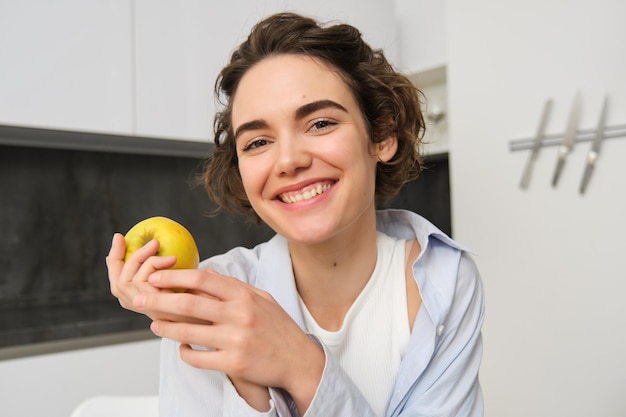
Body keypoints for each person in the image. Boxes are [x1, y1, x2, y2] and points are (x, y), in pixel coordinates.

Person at [106, 12, 484, 417]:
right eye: (257, 142)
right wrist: (247, 383)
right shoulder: (208, 299)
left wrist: (303, 367)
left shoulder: (445, 280)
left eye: (320, 123)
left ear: (382, 135)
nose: (288, 160)